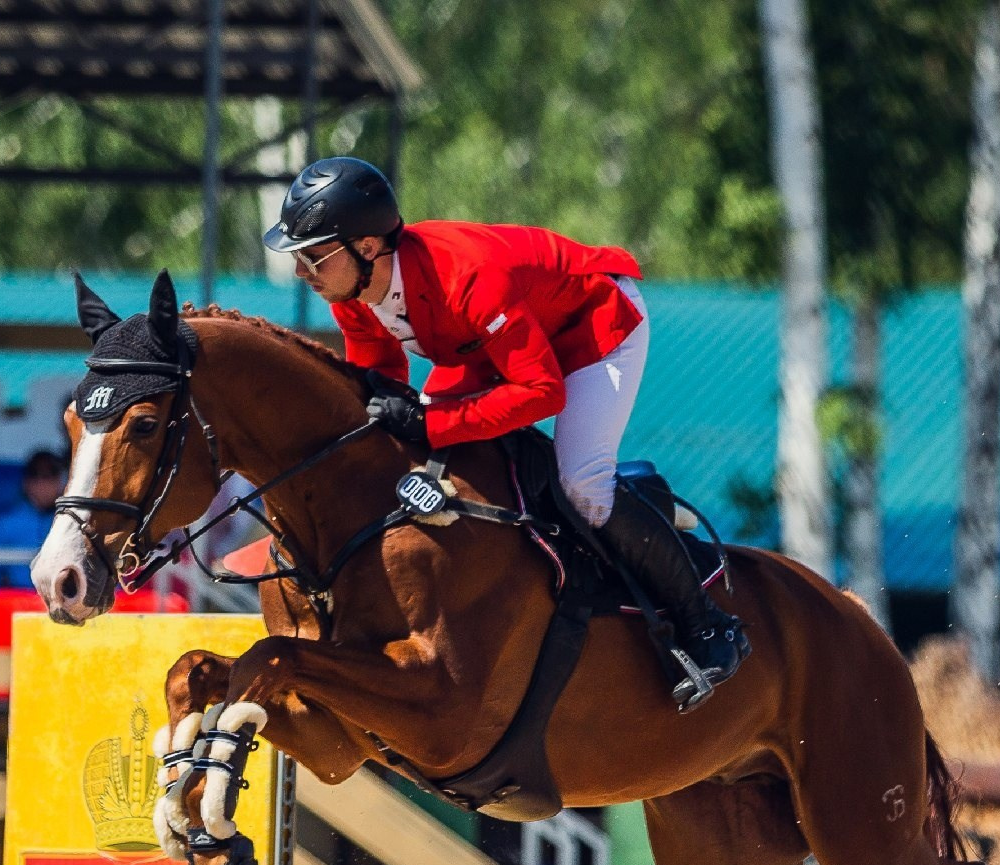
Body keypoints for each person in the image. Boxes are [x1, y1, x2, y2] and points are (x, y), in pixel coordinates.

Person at [264, 155, 747, 709]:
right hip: (490, 347)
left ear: (367, 247)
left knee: (583, 485)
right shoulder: (353, 292)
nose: (301, 271)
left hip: (594, 327)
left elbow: (541, 391)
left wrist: (431, 422)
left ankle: (706, 625)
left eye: (312, 255)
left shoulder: (466, 278)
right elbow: (379, 383)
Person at [0, 447, 63, 589]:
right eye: (36, 478)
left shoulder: (69, 523)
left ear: (60, 483)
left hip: (60, 597)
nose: (43, 486)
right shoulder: (6, 524)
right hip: (17, 597)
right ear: (26, 483)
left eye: (49, 478)